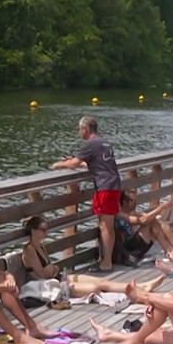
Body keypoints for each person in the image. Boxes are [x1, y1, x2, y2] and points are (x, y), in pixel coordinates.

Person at [20, 216, 165, 295]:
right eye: (43, 230)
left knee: (101, 281)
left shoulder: (40, 246)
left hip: (55, 279)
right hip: (47, 285)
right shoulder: (30, 249)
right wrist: (53, 268)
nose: (46, 233)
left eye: (47, 230)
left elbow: (52, 269)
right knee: (93, 288)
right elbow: (41, 275)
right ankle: (136, 289)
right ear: (33, 231)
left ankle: (140, 286)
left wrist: (53, 267)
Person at [51, 116, 121, 273]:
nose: (78, 132)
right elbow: (93, 162)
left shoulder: (89, 143)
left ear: (85, 129)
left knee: (105, 226)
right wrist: (76, 161)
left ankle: (106, 263)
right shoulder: (103, 142)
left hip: (105, 187)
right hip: (113, 184)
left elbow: (75, 164)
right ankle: (107, 260)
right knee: (107, 225)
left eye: (79, 129)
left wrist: (59, 164)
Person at [115, 188, 173, 262]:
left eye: (136, 201)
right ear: (124, 202)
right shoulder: (119, 214)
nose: (135, 203)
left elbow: (150, 217)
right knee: (151, 221)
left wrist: (168, 208)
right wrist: (160, 208)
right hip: (127, 250)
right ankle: (170, 250)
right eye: (132, 201)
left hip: (135, 245)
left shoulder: (133, 213)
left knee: (158, 221)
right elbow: (143, 220)